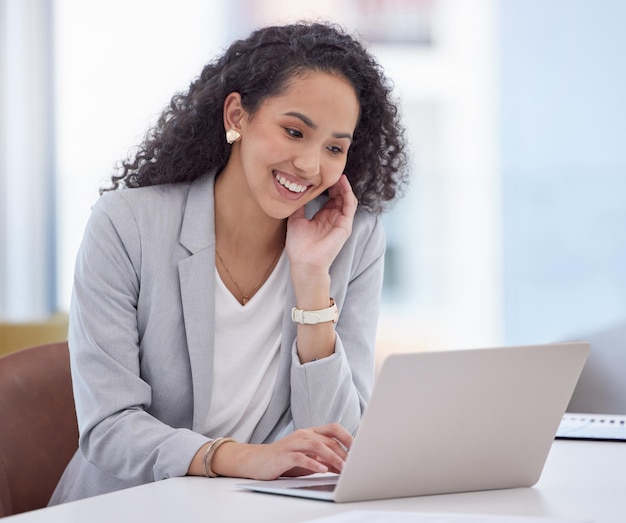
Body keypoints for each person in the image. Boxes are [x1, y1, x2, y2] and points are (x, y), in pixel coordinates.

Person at [49, 21, 408, 504]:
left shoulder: (353, 241)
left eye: (334, 148)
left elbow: (338, 441)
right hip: (125, 505)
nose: (309, 164)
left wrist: (310, 279)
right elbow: (109, 428)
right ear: (237, 115)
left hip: (251, 508)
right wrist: (238, 457)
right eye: (294, 131)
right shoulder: (127, 225)